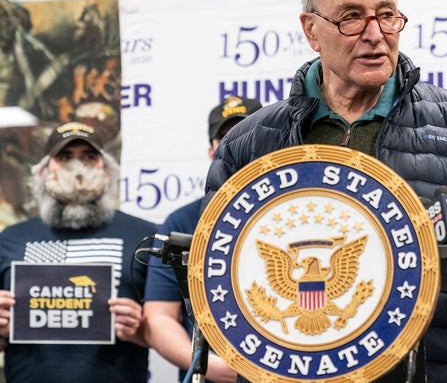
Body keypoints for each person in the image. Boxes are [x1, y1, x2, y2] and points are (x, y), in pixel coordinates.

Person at [203, 0, 447, 382]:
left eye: (386, 14)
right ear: (311, 30)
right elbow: (209, 282)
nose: (375, 33)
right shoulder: (250, 143)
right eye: (351, 17)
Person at [0, 121, 154, 383]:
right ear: (42, 172)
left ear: (107, 169)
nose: (77, 165)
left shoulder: (144, 236)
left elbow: (174, 326)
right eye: (64, 157)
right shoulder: (10, 239)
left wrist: (144, 330)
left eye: (89, 156)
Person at [143, 95, 261, 383]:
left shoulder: (301, 210)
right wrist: (210, 366)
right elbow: (158, 317)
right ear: (212, 151)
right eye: (226, 136)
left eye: (248, 132)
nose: (237, 143)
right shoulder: (182, 222)